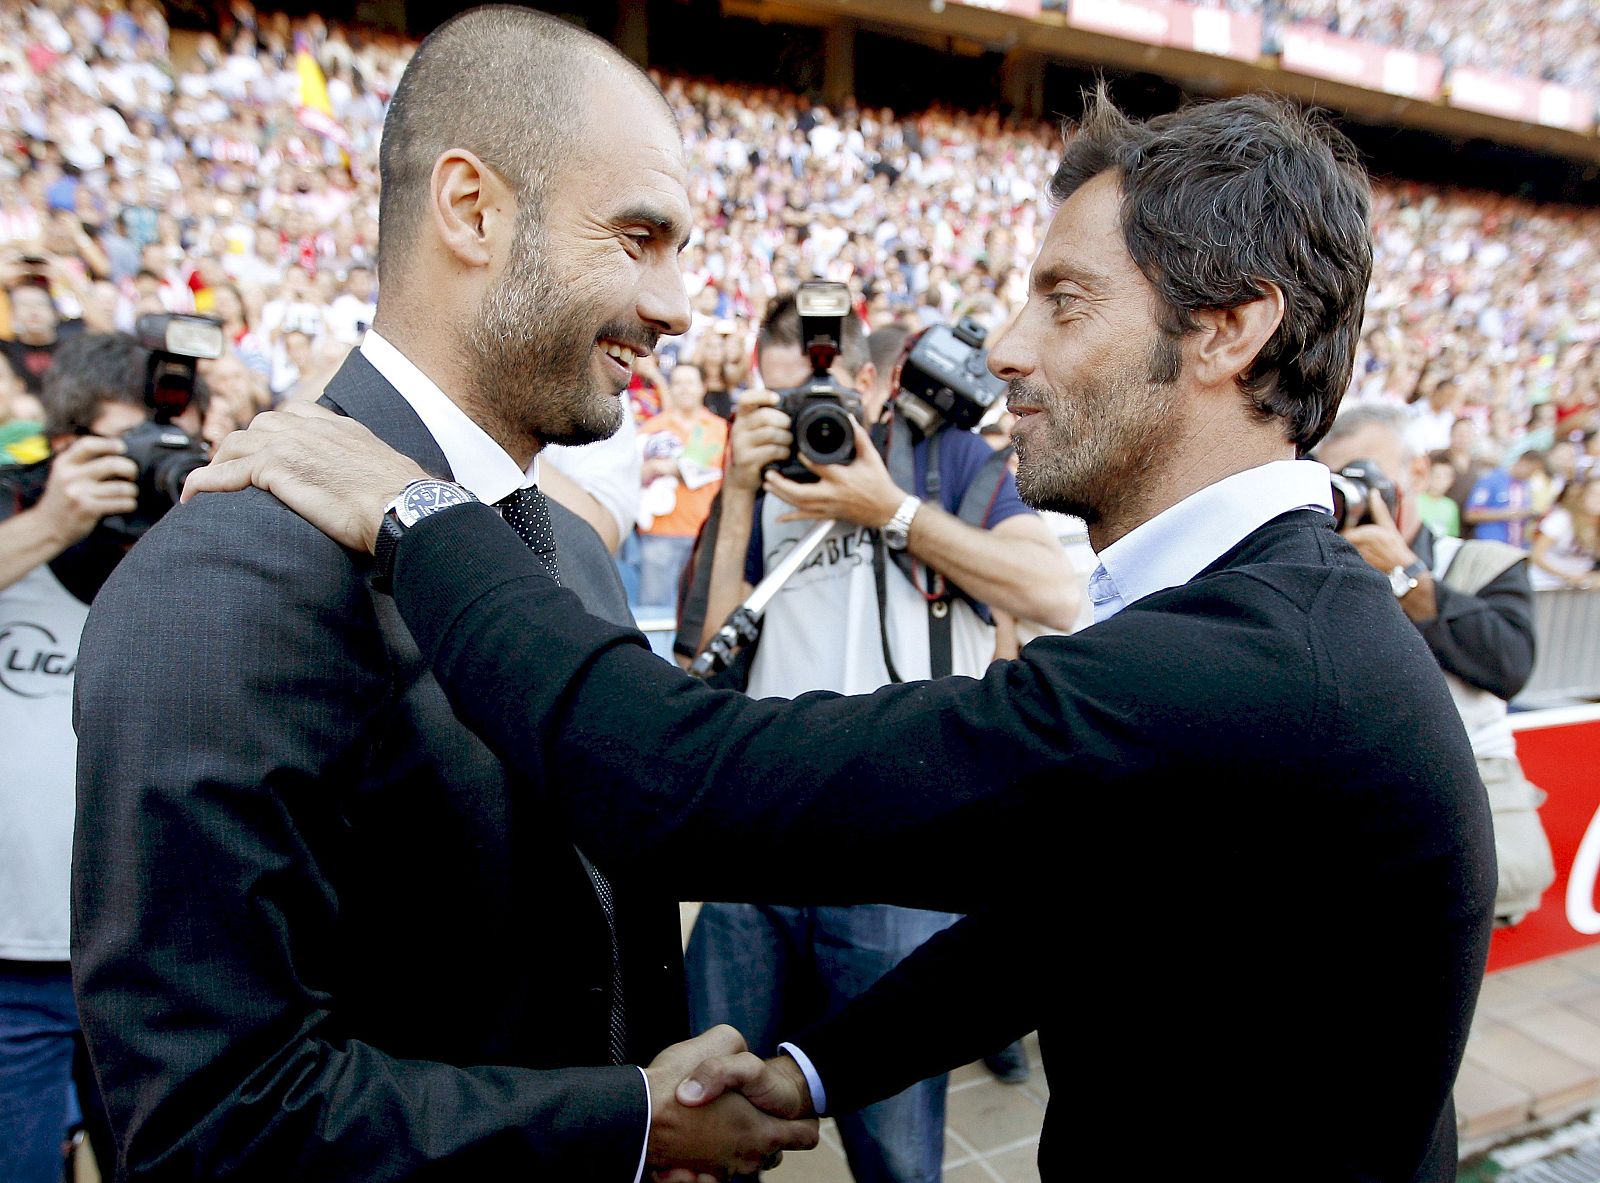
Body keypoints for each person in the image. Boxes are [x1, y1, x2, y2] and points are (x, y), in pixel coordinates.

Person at [190, 91, 1496, 1181]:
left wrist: (415, 511)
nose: (1009, 350)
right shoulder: (1267, 619)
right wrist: (814, 1068)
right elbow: (1061, 927)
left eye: (1064, 299)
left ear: (1228, 328)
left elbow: (668, 777)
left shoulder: (1241, 668)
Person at [71, 9, 815, 1181]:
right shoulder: (227, 576)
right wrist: (625, 1122)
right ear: (472, 209)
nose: (676, 306)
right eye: (637, 236)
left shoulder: (563, 542)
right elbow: (209, 1120)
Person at [676, 299, 1075, 1183]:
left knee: (896, 1151)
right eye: (774, 403)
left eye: (814, 396)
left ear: (866, 381)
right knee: (703, 1122)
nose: (800, 424)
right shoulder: (765, 481)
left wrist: (889, 508)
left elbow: (1054, 591)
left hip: (902, 856)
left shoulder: (950, 458)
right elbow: (703, 664)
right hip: (762, 850)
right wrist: (738, 496)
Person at [0, 332, 205, 1183]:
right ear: (66, 441)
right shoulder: (15, 512)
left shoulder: (200, 541)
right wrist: (52, 521)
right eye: (132, 445)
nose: (151, 465)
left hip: (148, 956)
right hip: (11, 963)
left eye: (172, 439)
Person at [1316, 405, 1552, 925]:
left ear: (1417, 472)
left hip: (1462, 809)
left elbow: (1510, 664)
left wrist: (1407, 577)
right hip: (1357, 813)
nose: (1352, 497)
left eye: (1364, 477)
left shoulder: (1480, 563)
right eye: (1334, 483)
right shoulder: (1313, 565)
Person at [637, 361, 727, 609]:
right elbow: (631, 476)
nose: (684, 389)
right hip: (660, 534)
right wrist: (655, 468)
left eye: (690, 383)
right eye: (677, 383)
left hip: (707, 534)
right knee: (655, 611)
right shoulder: (653, 429)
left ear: (703, 387)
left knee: (703, 610)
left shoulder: (721, 429)